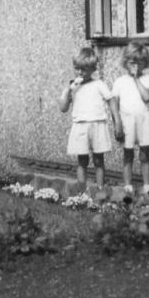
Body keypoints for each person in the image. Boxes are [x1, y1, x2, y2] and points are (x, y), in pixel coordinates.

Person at [59, 47, 117, 193]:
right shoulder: (74, 87)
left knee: (98, 159)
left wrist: (117, 120)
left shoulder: (98, 84)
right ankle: (81, 190)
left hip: (97, 124)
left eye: (84, 69)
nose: (80, 73)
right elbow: (63, 107)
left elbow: (111, 101)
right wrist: (68, 90)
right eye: (77, 69)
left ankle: (100, 188)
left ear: (92, 69)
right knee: (82, 160)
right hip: (80, 125)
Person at [112, 42, 149, 195]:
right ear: (126, 62)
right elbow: (114, 104)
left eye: (139, 62)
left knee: (144, 154)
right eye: (132, 62)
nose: (135, 65)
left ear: (145, 63)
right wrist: (117, 123)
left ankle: (147, 186)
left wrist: (137, 78)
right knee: (128, 154)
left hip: (143, 121)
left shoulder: (147, 79)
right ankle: (128, 185)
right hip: (127, 121)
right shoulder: (119, 82)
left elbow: (146, 97)